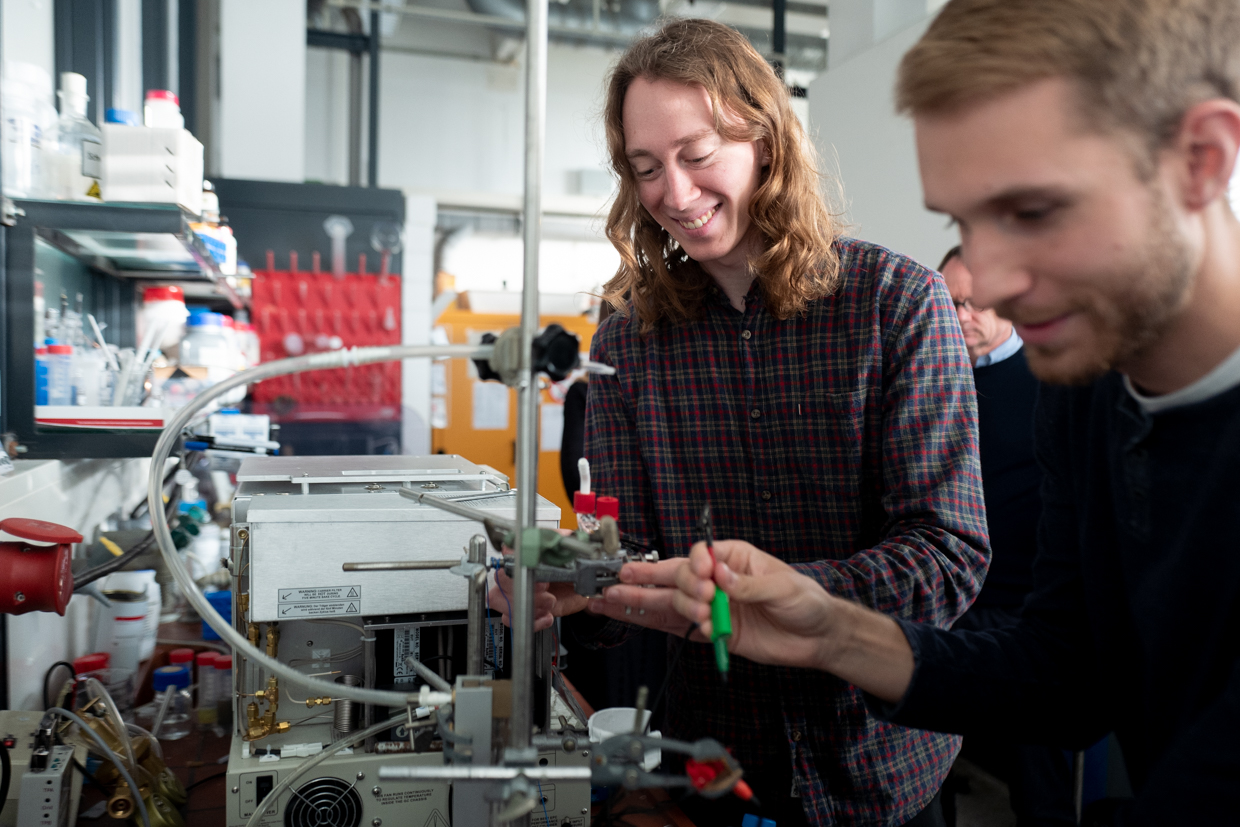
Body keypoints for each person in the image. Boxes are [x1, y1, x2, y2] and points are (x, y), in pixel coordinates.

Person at [656, 0, 1240, 822]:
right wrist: (832, 632)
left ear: (1203, 159)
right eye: (964, 221)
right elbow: (1066, 677)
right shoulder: (1087, 395)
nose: (988, 281)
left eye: (1032, 210)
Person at [493, 17, 990, 826]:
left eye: (696, 155)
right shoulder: (629, 336)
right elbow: (626, 545)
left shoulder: (897, 305)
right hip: (714, 756)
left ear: (765, 139)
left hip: (883, 759)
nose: (674, 195)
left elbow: (949, 555)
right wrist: (567, 579)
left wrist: (802, 596)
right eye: (647, 168)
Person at [941, 246, 1073, 826]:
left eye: (972, 303)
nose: (959, 316)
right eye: (948, 303)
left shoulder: (1054, 383)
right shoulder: (932, 383)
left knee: (1038, 776)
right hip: (950, 599)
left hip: (1024, 608)